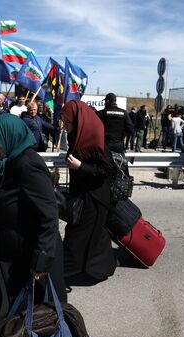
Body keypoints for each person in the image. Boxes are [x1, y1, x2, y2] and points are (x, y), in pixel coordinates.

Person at [0, 114, 67, 337]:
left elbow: (49, 214)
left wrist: (42, 261)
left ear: (9, 136)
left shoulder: (27, 164)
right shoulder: (10, 163)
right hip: (13, 244)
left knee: (31, 307)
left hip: (32, 250)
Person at [61, 100, 116, 281]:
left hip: (94, 198)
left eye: (67, 122)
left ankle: (61, 272)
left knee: (76, 236)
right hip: (84, 195)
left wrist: (80, 166)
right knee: (95, 236)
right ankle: (103, 267)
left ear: (78, 121)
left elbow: (105, 170)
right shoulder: (77, 136)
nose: (64, 126)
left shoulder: (95, 141)